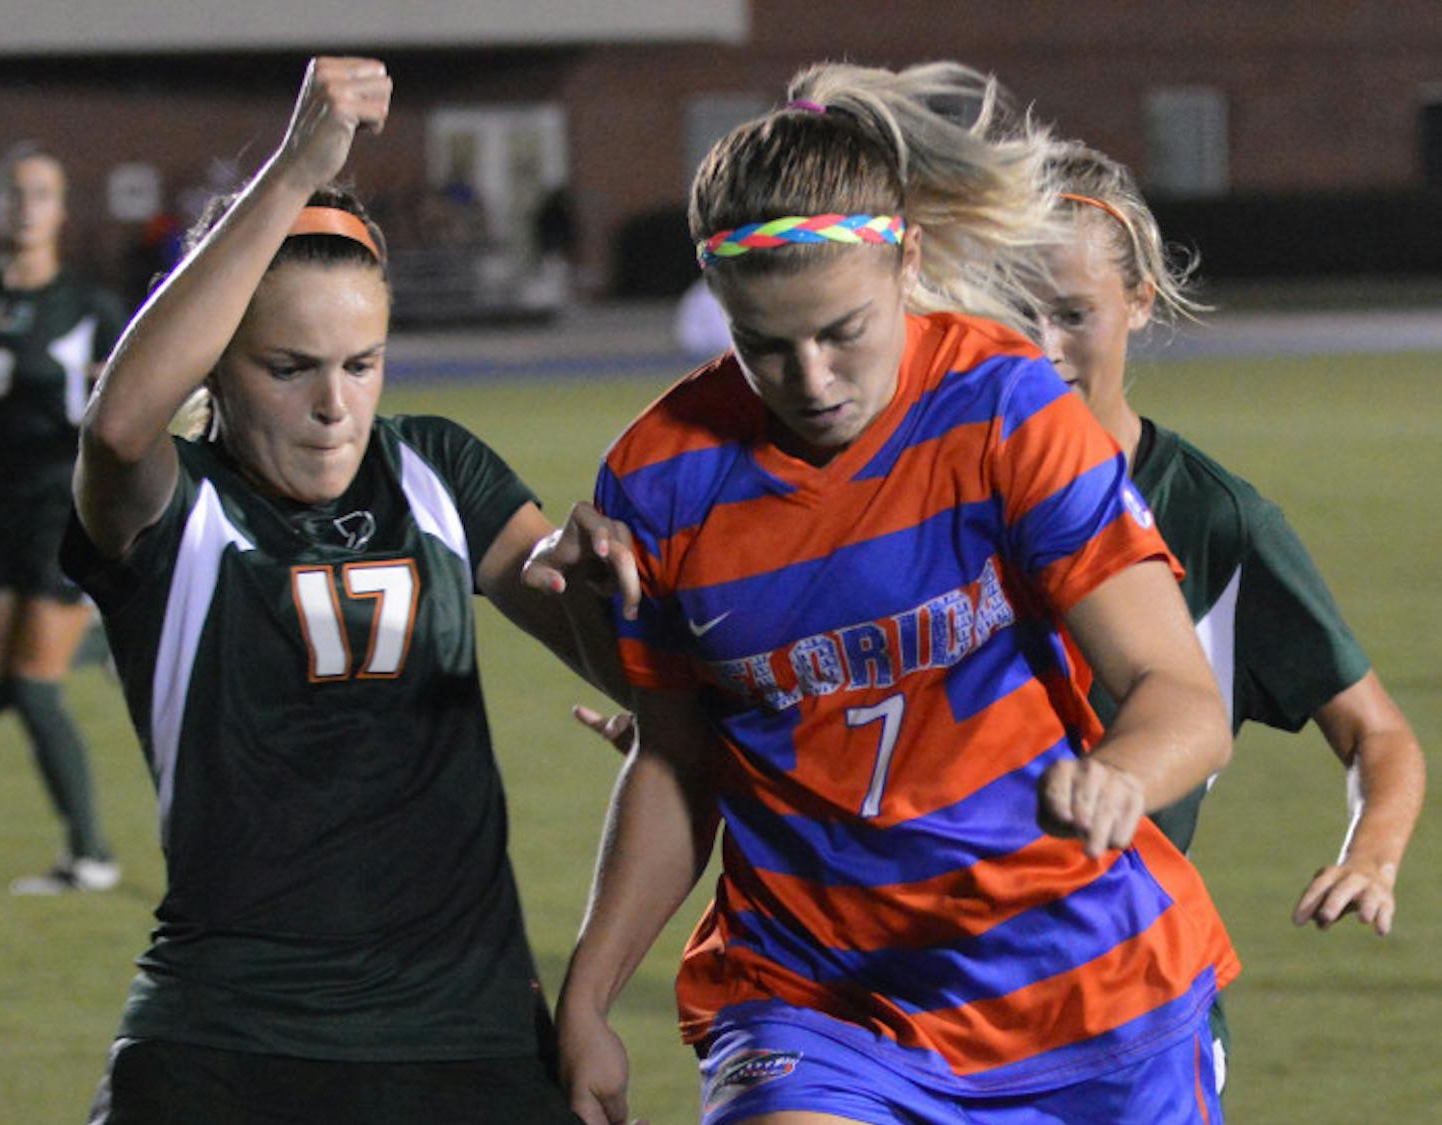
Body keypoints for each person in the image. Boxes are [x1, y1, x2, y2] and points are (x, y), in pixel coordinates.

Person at [552, 61, 1242, 1125]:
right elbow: (676, 761)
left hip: (1081, 990)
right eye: (765, 348)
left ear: (907, 265)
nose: (812, 382)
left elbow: (1178, 694)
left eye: (843, 334)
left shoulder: (1006, 412)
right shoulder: (657, 476)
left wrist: (1122, 774)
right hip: (819, 1002)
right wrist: (589, 996)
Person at [68, 57, 620, 1124]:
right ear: (215, 368)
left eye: (361, 365)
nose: (336, 406)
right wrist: (295, 170)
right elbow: (118, 427)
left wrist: (614, 598)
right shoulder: (177, 512)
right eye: (290, 368)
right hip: (229, 1039)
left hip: (472, 1037)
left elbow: (630, 667)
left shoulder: (439, 471)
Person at [1034, 138, 1427, 1089]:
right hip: (936, 976)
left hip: (1132, 983)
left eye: (1073, 312)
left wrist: (1369, 858)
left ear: (1139, 302)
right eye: (1013, 313)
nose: (1041, 345)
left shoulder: (1215, 519)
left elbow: (1380, 734)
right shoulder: (938, 493)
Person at [0, 141, 128, 894]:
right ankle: (102, 642)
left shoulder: (90, 309)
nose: (26, 207)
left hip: (59, 508)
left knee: (33, 686)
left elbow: (140, 405)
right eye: (13, 194)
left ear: (59, 208)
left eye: (41, 193)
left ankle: (91, 857)